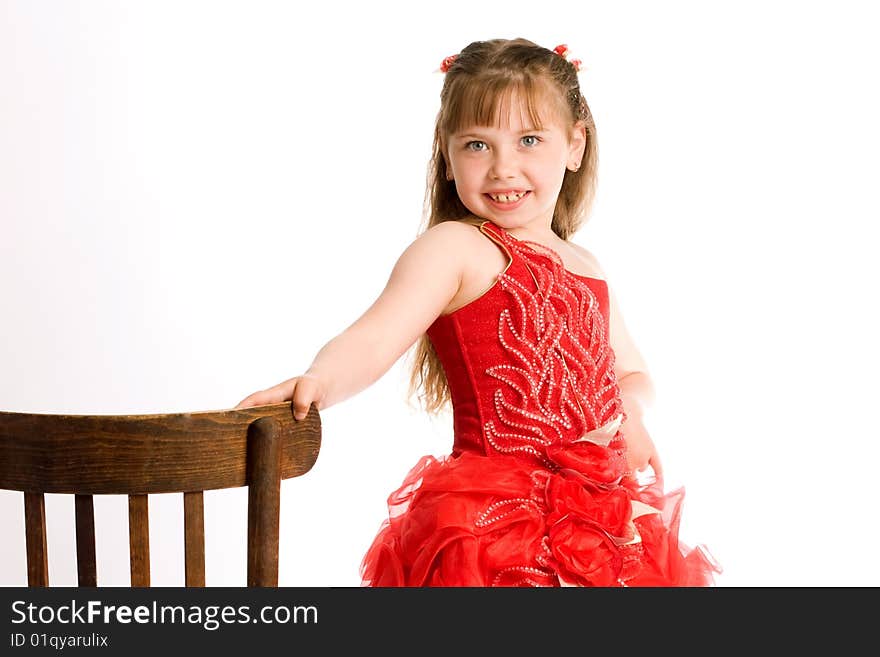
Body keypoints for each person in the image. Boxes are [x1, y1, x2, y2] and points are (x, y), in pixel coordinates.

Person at [236, 37, 720, 586]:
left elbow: (633, 373)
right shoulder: (456, 248)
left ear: (575, 145)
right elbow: (374, 337)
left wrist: (629, 409)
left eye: (529, 140)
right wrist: (320, 379)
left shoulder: (588, 266)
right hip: (493, 524)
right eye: (477, 145)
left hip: (602, 522)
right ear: (446, 155)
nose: (502, 168)